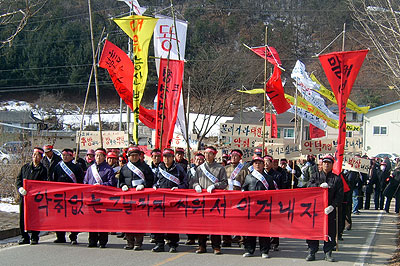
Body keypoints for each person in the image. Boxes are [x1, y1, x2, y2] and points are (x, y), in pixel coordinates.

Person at [305, 155, 343, 262]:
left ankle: (328, 252)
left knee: (330, 231)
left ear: (332, 165)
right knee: (313, 231)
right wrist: (319, 185)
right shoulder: (315, 175)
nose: (326, 164)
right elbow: (308, 187)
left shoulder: (337, 179)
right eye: (325, 162)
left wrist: (332, 206)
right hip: (315, 209)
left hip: (329, 210)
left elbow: (339, 196)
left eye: (329, 163)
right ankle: (312, 251)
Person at [192, 146, 228, 255]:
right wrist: (196, 186)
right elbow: (193, 182)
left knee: (214, 224)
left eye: (210, 153)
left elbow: (224, 182)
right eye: (206, 153)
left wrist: (215, 186)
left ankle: (216, 246)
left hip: (214, 201)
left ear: (214, 155)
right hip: (202, 201)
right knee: (201, 224)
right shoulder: (199, 168)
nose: (207, 155)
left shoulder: (220, 168)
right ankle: (202, 246)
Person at [152, 148, 188, 253]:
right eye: (165, 157)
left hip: (174, 200)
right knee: (158, 222)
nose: (166, 159)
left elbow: (185, 182)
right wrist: (154, 186)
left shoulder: (179, 169)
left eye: (169, 156)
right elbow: (154, 181)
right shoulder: (159, 168)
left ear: (173, 157)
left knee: (172, 222)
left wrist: (179, 188)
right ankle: (159, 243)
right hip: (160, 200)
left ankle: (173, 244)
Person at [242, 155, 277, 259]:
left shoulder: (269, 178)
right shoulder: (248, 177)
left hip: (264, 208)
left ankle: (264, 251)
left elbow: (273, 193)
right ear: (253, 165)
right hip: (251, 208)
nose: (258, 165)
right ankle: (249, 250)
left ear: (263, 165)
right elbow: (244, 189)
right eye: (255, 163)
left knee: (264, 230)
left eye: (260, 163)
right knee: (250, 231)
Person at [119, 146, 154, 250]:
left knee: (139, 220)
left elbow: (151, 180)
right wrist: (122, 186)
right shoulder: (124, 168)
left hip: (140, 197)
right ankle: (130, 242)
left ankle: (138, 242)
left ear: (139, 156)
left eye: (136, 155)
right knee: (128, 220)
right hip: (128, 197)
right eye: (132, 156)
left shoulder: (145, 167)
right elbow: (120, 180)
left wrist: (144, 185)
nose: (134, 157)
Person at [84, 148, 117, 248]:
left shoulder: (108, 169)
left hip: (103, 198)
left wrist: (101, 185)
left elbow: (112, 184)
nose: (98, 157)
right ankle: (92, 240)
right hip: (92, 198)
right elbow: (85, 181)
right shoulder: (90, 169)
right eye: (96, 155)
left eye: (100, 155)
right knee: (92, 221)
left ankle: (103, 241)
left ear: (104, 157)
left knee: (103, 220)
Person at [51, 148, 85, 245]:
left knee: (72, 216)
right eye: (64, 155)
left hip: (72, 196)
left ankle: (73, 236)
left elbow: (80, 180)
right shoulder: (57, 167)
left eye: (67, 155)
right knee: (59, 216)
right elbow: (53, 180)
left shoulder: (76, 167)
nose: (65, 157)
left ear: (71, 156)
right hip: (60, 196)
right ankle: (60, 236)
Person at [16, 147, 47, 245]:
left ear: (41, 157)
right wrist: (20, 188)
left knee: (35, 217)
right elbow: (19, 180)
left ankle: (34, 236)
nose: (35, 157)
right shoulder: (25, 167)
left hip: (36, 198)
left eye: (37, 155)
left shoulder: (43, 170)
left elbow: (44, 184)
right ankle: (24, 236)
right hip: (24, 197)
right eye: (34, 155)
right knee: (23, 216)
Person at [223, 149, 248, 247]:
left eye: (235, 156)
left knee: (240, 219)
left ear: (240, 158)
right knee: (227, 219)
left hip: (239, 197)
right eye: (232, 155)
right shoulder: (225, 168)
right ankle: (226, 239)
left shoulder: (244, 169)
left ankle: (241, 239)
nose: (233, 157)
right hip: (227, 196)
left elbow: (247, 182)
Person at [185, 152, 205, 245]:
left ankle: (202, 239)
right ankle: (191, 238)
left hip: (203, 196)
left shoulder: (205, 169)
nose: (199, 161)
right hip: (191, 196)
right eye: (197, 159)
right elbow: (186, 181)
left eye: (201, 159)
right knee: (191, 218)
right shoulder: (190, 170)